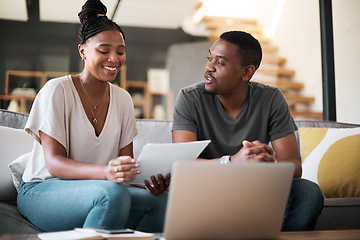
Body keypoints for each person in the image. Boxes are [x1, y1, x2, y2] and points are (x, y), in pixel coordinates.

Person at [16, 0, 170, 233]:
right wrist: (106, 173)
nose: (114, 59)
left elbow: (123, 169)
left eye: (120, 51)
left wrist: (147, 181)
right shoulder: (57, 90)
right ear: (82, 51)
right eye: (104, 50)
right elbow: (55, 164)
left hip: (100, 188)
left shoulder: (123, 99)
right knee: (112, 194)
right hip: (43, 189)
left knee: (160, 202)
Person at [172, 30, 324, 231]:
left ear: (246, 72)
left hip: (255, 187)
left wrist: (267, 162)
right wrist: (234, 162)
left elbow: (294, 167)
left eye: (220, 63)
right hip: (208, 187)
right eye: (209, 58)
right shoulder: (189, 98)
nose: (208, 67)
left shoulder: (271, 99)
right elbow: (182, 165)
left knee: (309, 192)